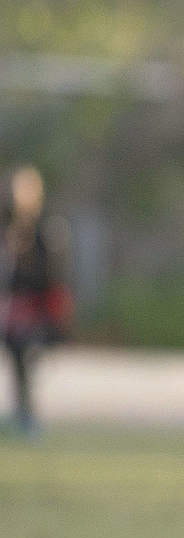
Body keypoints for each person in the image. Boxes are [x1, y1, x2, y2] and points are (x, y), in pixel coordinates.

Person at [1, 165, 73, 438]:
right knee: (17, 358)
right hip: (10, 305)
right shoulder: (8, 226)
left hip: (34, 306)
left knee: (26, 356)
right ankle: (21, 411)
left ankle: (28, 414)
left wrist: (56, 316)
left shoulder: (48, 227)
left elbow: (55, 274)